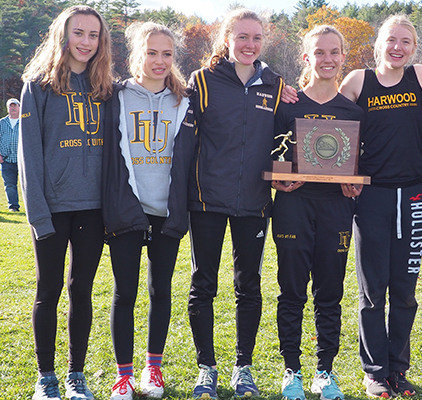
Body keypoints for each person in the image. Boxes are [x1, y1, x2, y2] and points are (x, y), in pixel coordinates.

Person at [185, 8, 285, 400]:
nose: (249, 45)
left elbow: (288, 137)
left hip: (255, 204)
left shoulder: (275, 85)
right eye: (242, 37)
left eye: (256, 38)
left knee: (249, 286)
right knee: (202, 286)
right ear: (226, 39)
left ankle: (243, 368)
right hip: (207, 201)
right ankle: (206, 368)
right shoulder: (202, 82)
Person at [338, 15, 422, 398]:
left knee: (405, 290)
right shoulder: (358, 81)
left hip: (414, 195)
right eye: (391, 40)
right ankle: (375, 371)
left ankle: (398, 369)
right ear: (378, 44)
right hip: (372, 196)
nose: (398, 47)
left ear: (414, 48)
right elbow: (325, 112)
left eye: (406, 41)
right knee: (372, 291)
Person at [18, 5, 113, 400]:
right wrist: (38, 214)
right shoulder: (36, 86)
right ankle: (46, 377)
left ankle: (76, 375)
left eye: (94, 35)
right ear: (63, 34)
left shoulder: (107, 86)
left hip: (93, 208)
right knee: (49, 289)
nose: (86, 42)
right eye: (80, 33)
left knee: (82, 289)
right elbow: (29, 155)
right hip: (53, 207)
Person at [102, 22, 195, 400]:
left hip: (166, 211)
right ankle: (123, 375)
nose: (160, 61)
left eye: (167, 54)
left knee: (161, 291)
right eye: (152, 52)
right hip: (127, 207)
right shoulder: (114, 96)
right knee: (124, 292)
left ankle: (152, 369)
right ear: (136, 54)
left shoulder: (185, 100)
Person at [272, 25, 364, 400]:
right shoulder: (287, 106)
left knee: (330, 293)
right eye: (319, 53)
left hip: (336, 210)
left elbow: (359, 162)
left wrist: (355, 184)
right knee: (291, 292)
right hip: (294, 207)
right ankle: (291, 371)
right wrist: (279, 180)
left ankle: (324, 372)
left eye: (334, 52)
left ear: (343, 57)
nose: (328, 59)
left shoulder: (353, 111)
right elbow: (274, 156)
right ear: (306, 58)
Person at [0, 98, 21, 212]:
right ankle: (13, 206)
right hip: (6, 160)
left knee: (27, 185)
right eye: (10, 106)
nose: (13, 108)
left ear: (19, 107)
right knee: (10, 185)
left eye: (15, 106)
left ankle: (30, 207)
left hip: (23, 160)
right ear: (7, 108)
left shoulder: (25, 122)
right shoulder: (2, 123)